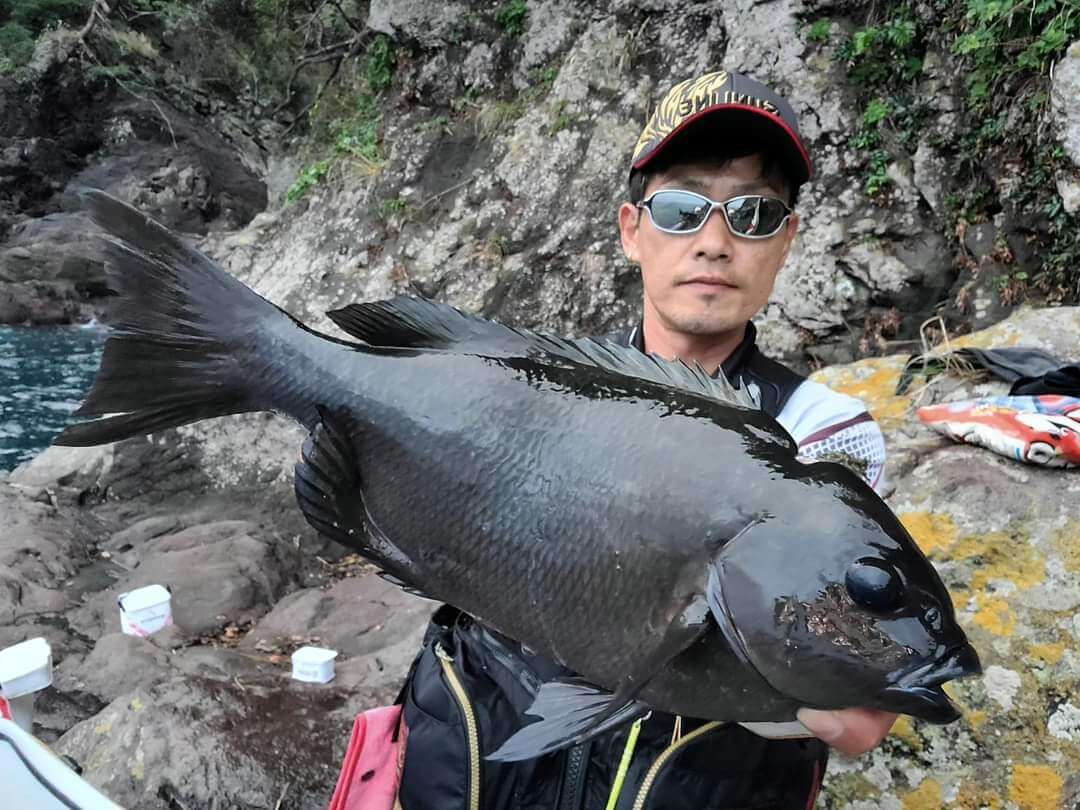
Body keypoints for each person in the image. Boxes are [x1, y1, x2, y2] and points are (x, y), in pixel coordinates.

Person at [395, 69, 896, 810]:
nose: (716, 243)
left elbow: (856, 715)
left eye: (754, 215)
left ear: (787, 242)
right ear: (634, 231)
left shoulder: (822, 437)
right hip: (479, 772)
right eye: (683, 208)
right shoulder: (534, 389)